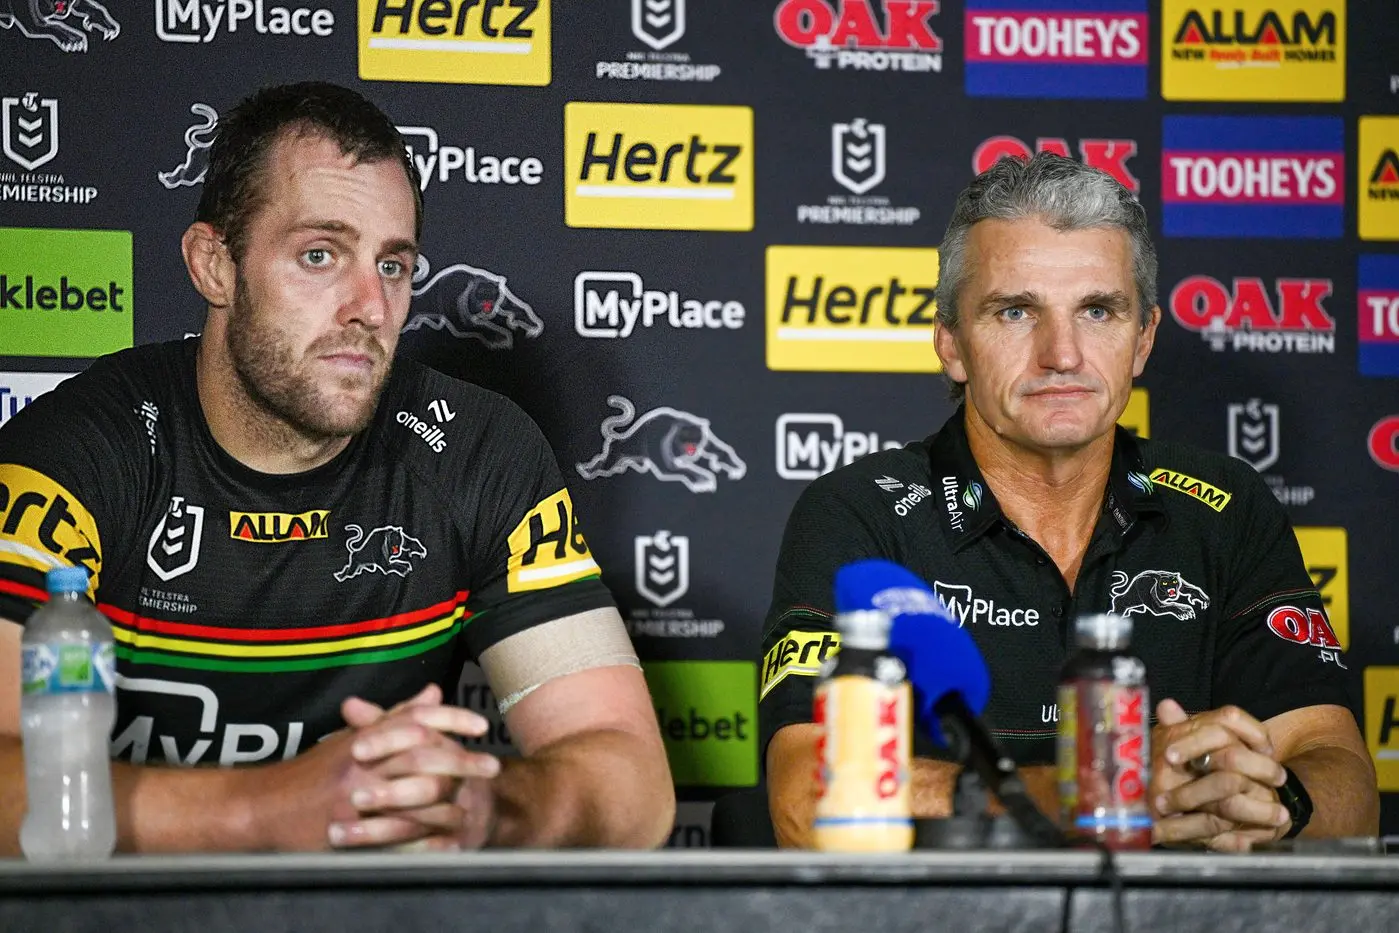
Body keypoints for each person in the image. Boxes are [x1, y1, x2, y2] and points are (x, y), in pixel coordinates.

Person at [0, 82, 674, 853]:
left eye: (393, 265)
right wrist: (268, 811)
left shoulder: (477, 451)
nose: (370, 307)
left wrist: (491, 808)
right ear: (214, 266)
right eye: (320, 255)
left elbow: (635, 783)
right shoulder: (83, 449)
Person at [761, 153, 1378, 851]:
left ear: (1141, 339)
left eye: (1096, 310)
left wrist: (1273, 800)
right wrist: (1095, 788)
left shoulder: (1224, 508)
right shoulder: (859, 513)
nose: (1061, 353)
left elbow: (1344, 778)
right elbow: (804, 801)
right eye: (1015, 310)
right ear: (950, 343)